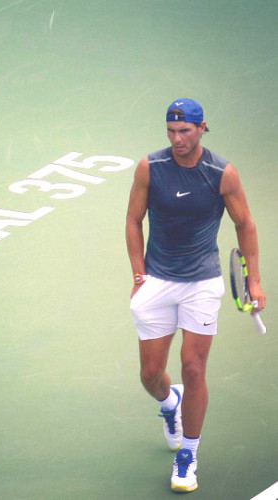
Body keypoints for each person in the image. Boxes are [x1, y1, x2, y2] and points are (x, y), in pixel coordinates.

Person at [125, 98, 266, 493]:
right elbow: (133, 220)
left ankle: (189, 453)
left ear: (202, 128)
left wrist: (253, 280)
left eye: (184, 131)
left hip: (202, 283)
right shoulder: (150, 167)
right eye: (171, 132)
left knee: (193, 367)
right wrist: (139, 274)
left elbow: (246, 224)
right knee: (151, 375)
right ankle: (170, 404)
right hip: (157, 281)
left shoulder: (221, 173)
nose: (177, 139)